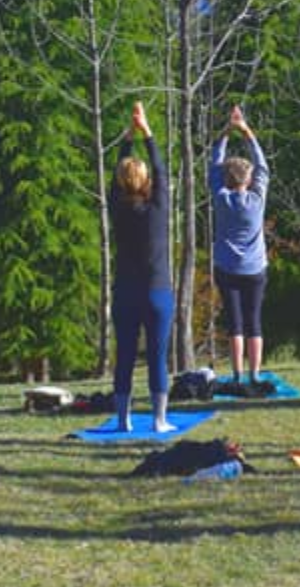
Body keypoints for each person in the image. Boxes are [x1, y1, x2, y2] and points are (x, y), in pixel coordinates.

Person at [110, 101, 175, 433]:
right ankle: (159, 420)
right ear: (146, 181)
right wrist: (146, 131)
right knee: (157, 357)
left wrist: (128, 137)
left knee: (124, 357)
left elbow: (116, 175)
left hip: (125, 293)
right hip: (157, 292)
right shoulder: (158, 208)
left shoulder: (116, 208)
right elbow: (161, 172)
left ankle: (123, 420)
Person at [211, 104, 270, 384]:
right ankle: (255, 374)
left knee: (235, 323)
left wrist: (226, 132)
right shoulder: (257, 200)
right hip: (255, 267)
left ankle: (236, 374)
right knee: (254, 321)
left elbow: (214, 164)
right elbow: (263, 165)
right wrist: (246, 132)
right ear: (248, 179)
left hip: (226, 267)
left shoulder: (221, 197)